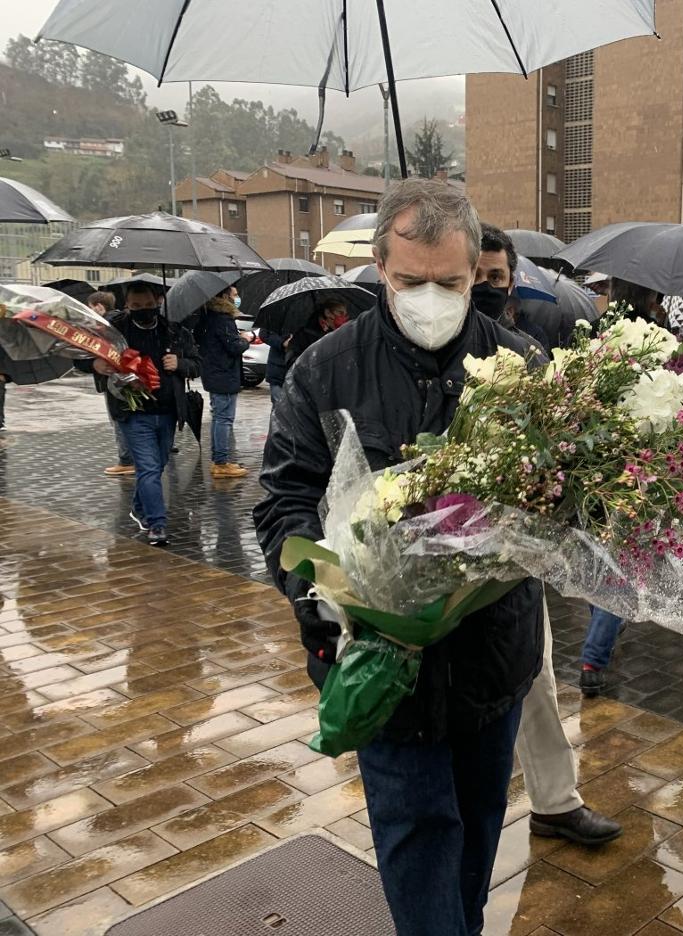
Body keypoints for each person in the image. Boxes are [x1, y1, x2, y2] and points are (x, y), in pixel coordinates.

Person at [254, 179, 546, 936]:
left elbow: (559, 502)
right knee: (415, 839)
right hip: (376, 661)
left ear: (477, 270)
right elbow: (284, 500)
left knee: (478, 831)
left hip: (490, 659)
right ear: (380, 266)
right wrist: (329, 589)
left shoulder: (521, 369)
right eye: (410, 281)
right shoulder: (324, 370)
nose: (430, 297)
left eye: (450, 282)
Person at [473, 227, 622, 847]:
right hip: (431, 561)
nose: (482, 291)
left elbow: (557, 456)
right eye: (470, 278)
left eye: (494, 280)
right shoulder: (413, 352)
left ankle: (555, 802)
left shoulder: (529, 356)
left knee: (536, 675)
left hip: (515, 554)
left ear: (512, 284)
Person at [578, 278, 666, 697]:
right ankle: (595, 656)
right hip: (639, 467)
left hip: (594, 464)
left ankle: (602, 628)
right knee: (624, 565)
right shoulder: (658, 339)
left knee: (601, 555)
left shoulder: (598, 332)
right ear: (650, 296)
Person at [83, 283, 200, 546]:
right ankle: (157, 524)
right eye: (136, 307)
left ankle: (139, 506)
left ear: (158, 302)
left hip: (168, 410)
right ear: (127, 305)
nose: (142, 311)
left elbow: (196, 363)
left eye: (148, 306)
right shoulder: (114, 330)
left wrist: (180, 364)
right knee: (147, 467)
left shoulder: (173, 331)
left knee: (157, 465)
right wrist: (94, 363)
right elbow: (83, 353)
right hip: (132, 411)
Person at [197, 284, 252, 479]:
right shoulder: (222, 319)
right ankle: (221, 462)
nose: (237, 298)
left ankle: (219, 459)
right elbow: (234, 347)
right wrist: (246, 339)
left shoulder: (208, 317)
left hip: (214, 374)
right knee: (224, 419)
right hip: (224, 375)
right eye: (234, 294)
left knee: (218, 417)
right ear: (224, 295)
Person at [89, 290, 134, 476]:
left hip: (115, 381)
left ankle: (126, 460)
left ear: (100, 307)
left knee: (119, 419)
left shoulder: (107, 326)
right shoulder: (119, 321)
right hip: (125, 379)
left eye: (90, 307)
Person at [285, 298, 350, 362]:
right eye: (341, 313)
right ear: (327, 313)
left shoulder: (340, 333)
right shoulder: (303, 334)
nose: (343, 318)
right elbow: (291, 360)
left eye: (345, 315)